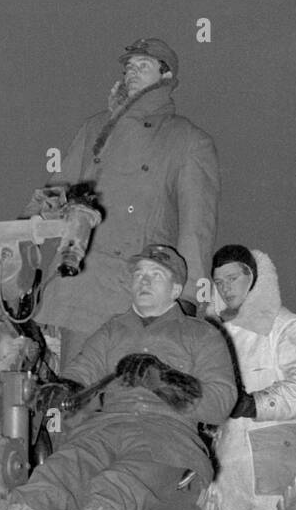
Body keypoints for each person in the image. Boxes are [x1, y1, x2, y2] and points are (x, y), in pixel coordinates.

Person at [0, 245, 237, 510]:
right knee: (61, 470)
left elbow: (222, 401)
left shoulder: (202, 334)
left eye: (155, 275)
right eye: (139, 274)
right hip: (104, 429)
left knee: (124, 481)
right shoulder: (113, 330)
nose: (144, 281)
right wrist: (63, 390)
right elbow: (82, 373)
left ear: (177, 289)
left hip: (169, 437)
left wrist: (164, 380)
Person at [25, 38, 220, 368]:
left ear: (166, 75)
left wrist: (186, 300)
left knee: (130, 399)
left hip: (140, 288)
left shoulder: (188, 140)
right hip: (83, 284)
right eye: (129, 66)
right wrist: (22, 227)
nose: (132, 72)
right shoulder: (94, 128)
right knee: (77, 395)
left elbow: (196, 229)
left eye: (143, 66)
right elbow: (59, 190)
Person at [201, 245, 296, 510]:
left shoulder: (286, 326)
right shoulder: (216, 334)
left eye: (232, 278)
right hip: (228, 469)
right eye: (219, 282)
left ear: (253, 277)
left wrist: (254, 404)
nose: (225, 287)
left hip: (276, 466)